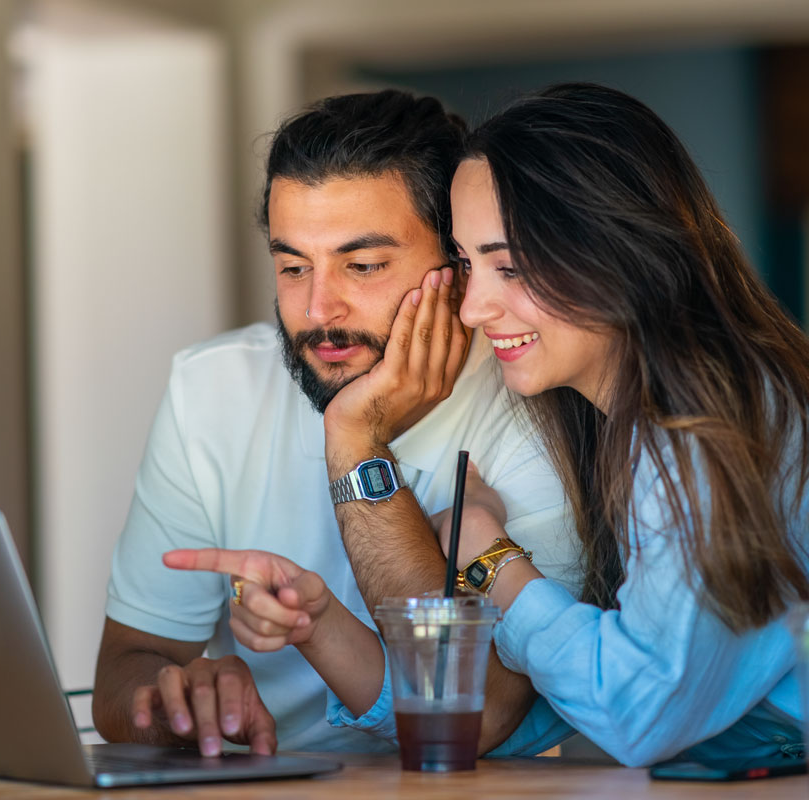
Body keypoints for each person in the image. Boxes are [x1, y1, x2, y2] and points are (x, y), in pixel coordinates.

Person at [166, 83, 809, 766]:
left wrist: (491, 560)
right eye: (467, 263)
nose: (475, 306)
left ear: (612, 252)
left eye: (511, 266)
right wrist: (322, 624)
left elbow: (638, 713)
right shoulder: (647, 422)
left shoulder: (711, 436)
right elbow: (534, 714)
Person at [92, 90, 580, 757]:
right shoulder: (211, 389)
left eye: (365, 266)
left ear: (458, 264)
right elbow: (128, 664)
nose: (319, 308)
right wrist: (176, 702)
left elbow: (484, 713)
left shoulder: (543, 409)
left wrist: (355, 439)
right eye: (293, 266)